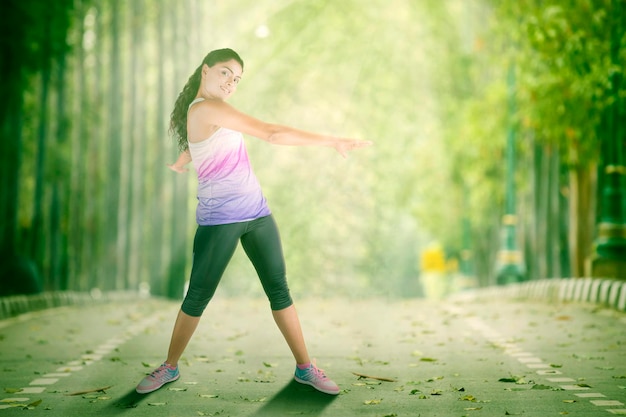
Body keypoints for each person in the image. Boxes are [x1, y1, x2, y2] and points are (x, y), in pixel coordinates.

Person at [135, 48, 371, 396]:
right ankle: (169, 367)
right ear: (206, 70)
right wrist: (332, 140)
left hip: (257, 213)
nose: (231, 82)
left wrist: (184, 159)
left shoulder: (206, 111)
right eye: (225, 73)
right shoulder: (208, 108)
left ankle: (306, 368)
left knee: (279, 290)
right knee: (198, 295)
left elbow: (203, 142)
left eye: (237, 79)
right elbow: (272, 133)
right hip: (221, 220)